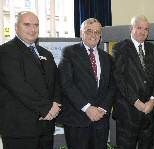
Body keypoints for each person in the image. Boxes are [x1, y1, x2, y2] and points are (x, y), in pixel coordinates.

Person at [0, 11, 61, 149]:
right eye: (27, 24)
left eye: (36, 25)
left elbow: (56, 82)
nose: (32, 29)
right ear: (16, 27)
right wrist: (46, 108)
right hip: (20, 129)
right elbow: (19, 86)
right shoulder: (6, 51)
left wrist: (55, 106)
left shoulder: (46, 53)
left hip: (46, 125)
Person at [57, 18, 116, 149]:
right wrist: (87, 108)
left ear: (100, 35)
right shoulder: (69, 52)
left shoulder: (107, 58)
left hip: (100, 121)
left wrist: (102, 108)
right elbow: (66, 83)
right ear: (81, 32)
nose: (93, 35)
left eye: (97, 31)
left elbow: (112, 86)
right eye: (89, 31)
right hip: (77, 120)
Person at [112, 15, 154, 149]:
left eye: (146, 29)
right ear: (131, 28)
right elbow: (119, 79)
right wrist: (137, 102)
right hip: (127, 113)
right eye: (139, 28)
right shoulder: (120, 48)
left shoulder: (153, 49)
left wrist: (152, 101)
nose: (143, 32)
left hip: (149, 113)